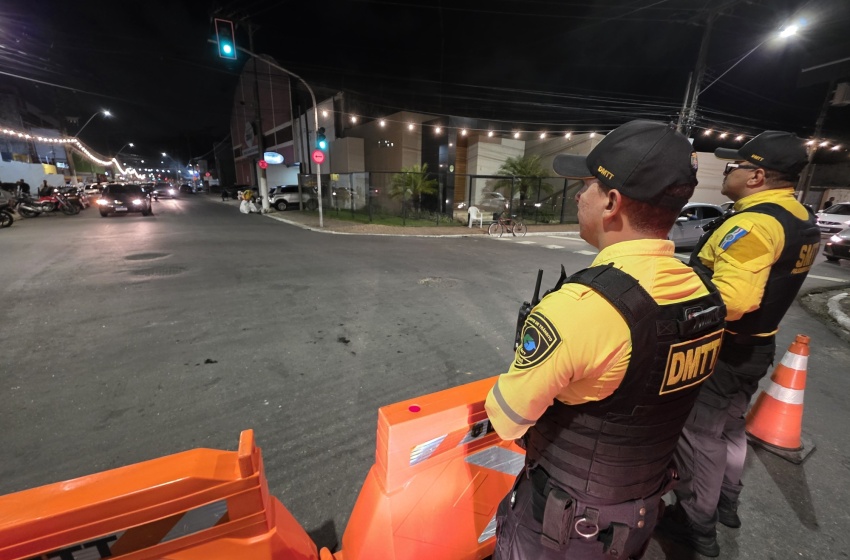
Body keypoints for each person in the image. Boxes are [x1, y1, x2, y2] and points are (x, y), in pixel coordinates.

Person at [485, 120, 726, 560]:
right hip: (640, 510)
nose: (580, 195)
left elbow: (509, 419)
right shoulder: (704, 295)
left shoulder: (584, 306)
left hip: (565, 526)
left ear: (612, 202)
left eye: (589, 185)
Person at [656, 131, 820, 557]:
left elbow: (735, 299)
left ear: (757, 175)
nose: (728, 171)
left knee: (699, 436)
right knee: (730, 428)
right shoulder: (800, 217)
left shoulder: (754, 223)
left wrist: (676, 296)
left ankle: (697, 526)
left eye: (736, 165)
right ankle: (727, 502)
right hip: (758, 346)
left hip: (724, 350)